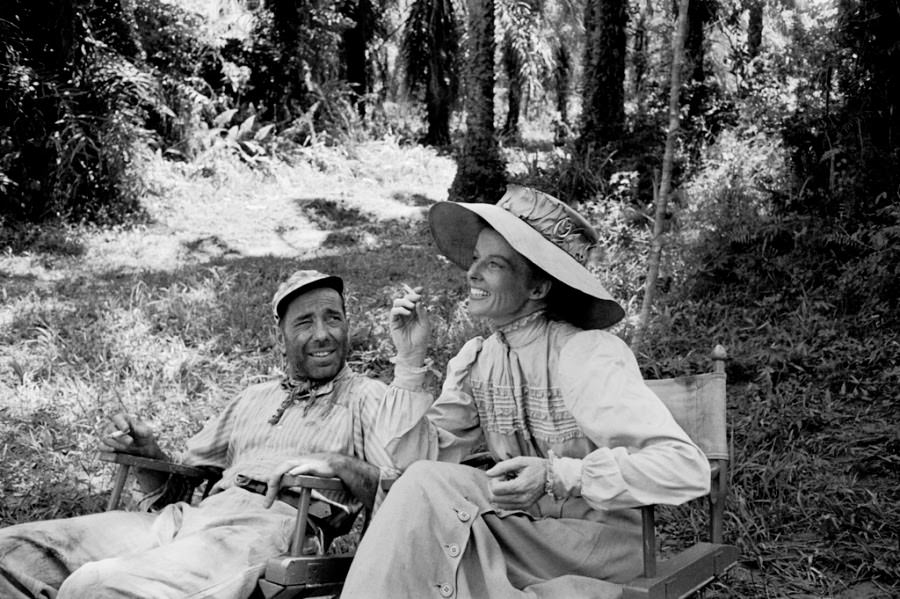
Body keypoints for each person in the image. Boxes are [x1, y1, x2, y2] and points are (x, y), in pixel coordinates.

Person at [340, 186, 712, 598]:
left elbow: (683, 466)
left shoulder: (585, 354)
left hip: (597, 543)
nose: (473, 272)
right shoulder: (479, 359)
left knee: (430, 497)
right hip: (526, 531)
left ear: (538, 288)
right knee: (424, 488)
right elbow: (407, 466)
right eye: (476, 258)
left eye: (493, 264)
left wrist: (557, 475)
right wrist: (410, 361)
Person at [0, 270, 398, 599]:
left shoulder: (369, 397)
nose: (323, 334)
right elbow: (181, 485)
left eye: (333, 317)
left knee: (97, 586)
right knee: (9, 552)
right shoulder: (252, 398)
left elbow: (401, 498)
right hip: (191, 518)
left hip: (270, 528)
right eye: (305, 322)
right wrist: (150, 452)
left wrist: (339, 464)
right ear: (281, 336)